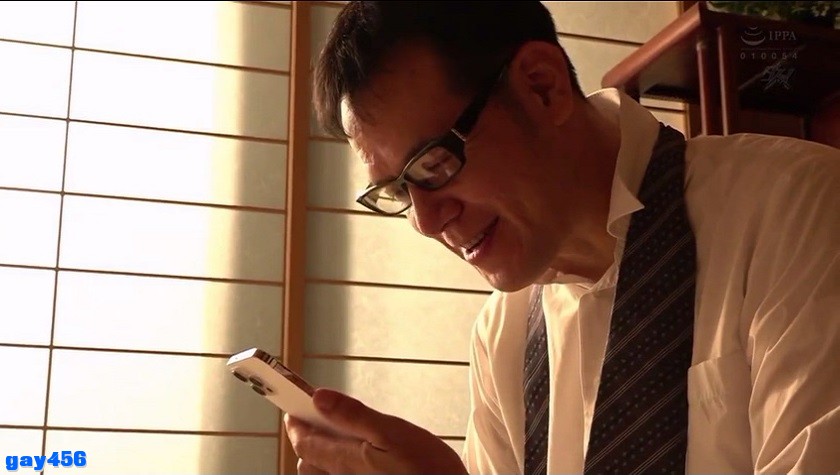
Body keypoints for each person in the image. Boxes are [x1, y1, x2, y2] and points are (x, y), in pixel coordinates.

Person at [284, 1, 840, 474]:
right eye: (397, 191)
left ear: (541, 87)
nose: (427, 223)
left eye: (433, 164)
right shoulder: (501, 335)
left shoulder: (794, 207)